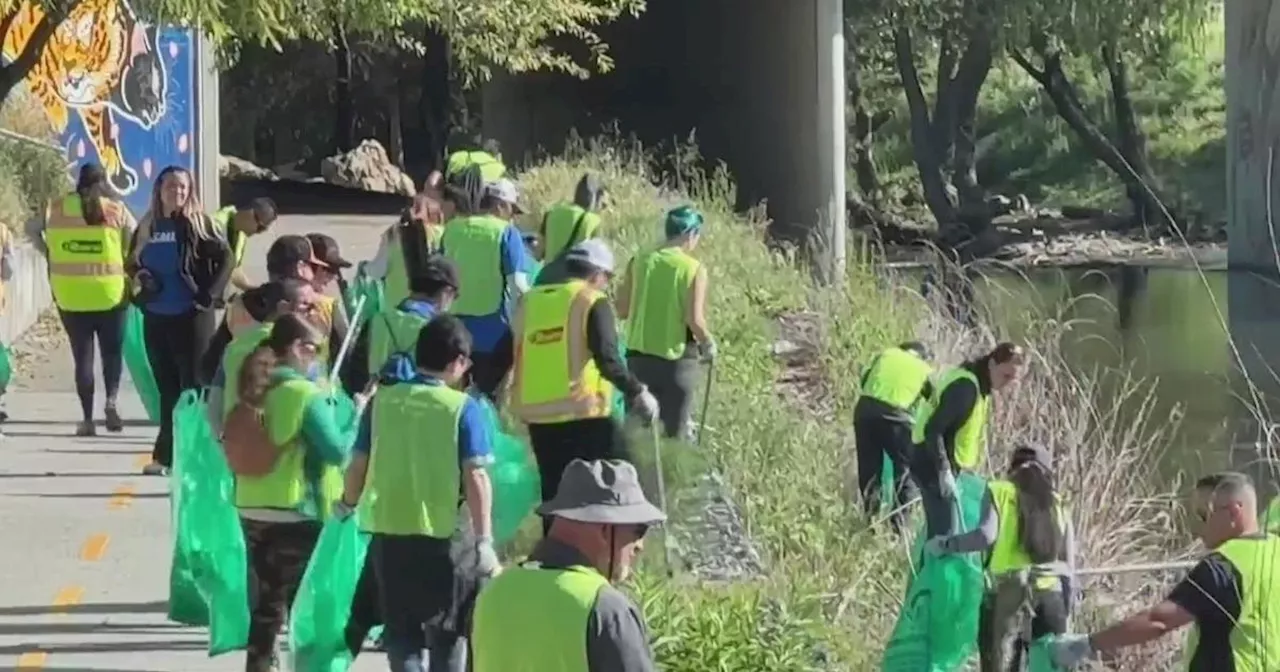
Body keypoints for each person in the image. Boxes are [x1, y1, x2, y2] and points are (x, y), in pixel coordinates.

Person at [338, 314, 498, 672]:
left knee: (402, 635)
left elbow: (357, 465)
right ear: (458, 361)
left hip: (390, 534)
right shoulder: (462, 409)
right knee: (448, 634)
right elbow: (477, 477)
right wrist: (484, 539)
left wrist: (346, 504)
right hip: (446, 539)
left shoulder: (383, 402)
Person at [479, 239, 658, 535]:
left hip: (539, 419)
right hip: (584, 415)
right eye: (607, 278)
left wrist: (480, 390)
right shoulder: (591, 301)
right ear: (597, 274)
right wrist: (638, 391)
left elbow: (504, 354)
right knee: (616, 481)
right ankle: (613, 546)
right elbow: (608, 359)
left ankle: (556, 550)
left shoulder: (530, 302)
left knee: (555, 491)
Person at [231, 313, 364, 672]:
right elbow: (337, 452)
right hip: (296, 510)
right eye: (314, 349)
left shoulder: (255, 386)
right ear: (294, 348)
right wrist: (356, 416)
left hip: (251, 506)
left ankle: (258, 665)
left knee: (267, 606)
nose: (319, 359)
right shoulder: (305, 395)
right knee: (309, 606)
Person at [1052, 472, 1280, 671]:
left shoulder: (1223, 566)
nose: (1198, 529)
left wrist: (1087, 644)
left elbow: (1158, 621)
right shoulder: (1275, 550)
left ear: (1233, 512)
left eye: (1204, 516)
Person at [471, 458, 665, 672]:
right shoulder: (605, 609)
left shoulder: (491, 594)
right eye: (638, 531)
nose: (640, 546)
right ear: (604, 529)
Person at [925, 445, 1074, 672]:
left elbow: (985, 536)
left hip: (1006, 597)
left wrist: (946, 544)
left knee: (997, 663)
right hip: (1049, 599)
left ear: (1012, 467)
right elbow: (1068, 567)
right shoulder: (1058, 501)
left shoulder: (999, 490)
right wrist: (1068, 609)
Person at [128, 166, 232, 475]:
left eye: (184, 187)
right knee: (168, 390)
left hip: (192, 318)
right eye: (172, 186)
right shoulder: (147, 225)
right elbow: (131, 262)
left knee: (194, 388)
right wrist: (142, 278)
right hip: (157, 316)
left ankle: (197, 456)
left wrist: (209, 295)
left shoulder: (201, 225)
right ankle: (166, 455)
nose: (178, 192)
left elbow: (227, 259)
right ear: (159, 190)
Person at [28, 163, 136, 436]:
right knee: (111, 353)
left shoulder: (57, 209)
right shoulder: (115, 209)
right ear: (103, 182)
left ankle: (87, 420)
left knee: (82, 357)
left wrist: (50, 252)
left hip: (70, 295)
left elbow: (30, 228)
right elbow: (135, 236)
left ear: (79, 182)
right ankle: (111, 402)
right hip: (111, 293)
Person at [616, 205, 716, 440]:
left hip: (637, 363)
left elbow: (621, 310)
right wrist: (709, 344)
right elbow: (694, 319)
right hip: (677, 366)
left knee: (637, 437)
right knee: (674, 438)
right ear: (690, 234)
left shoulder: (639, 260)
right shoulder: (693, 269)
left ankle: (636, 476)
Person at [912, 341, 1025, 537]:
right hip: (931, 464)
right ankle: (933, 567)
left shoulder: (979, 388)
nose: (1007, 383)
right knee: (945, 535)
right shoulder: (966, 389)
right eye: (1005, 376)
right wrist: (944, 471)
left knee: (942, 532)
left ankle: (928, 564)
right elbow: (934, 430)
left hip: (939, 463)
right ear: (991, 364)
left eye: (1013, 379)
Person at [440, 166, 530, 396]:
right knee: (486, 400)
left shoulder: (452, 229)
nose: (512, 217)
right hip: (493, 335)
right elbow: (518, 287)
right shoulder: (506, 234)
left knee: (456, 397)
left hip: (454, 332)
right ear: (500, 206)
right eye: (512, 210)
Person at [201, 235, 328, 382]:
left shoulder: (239, 304)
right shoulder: (311, 307)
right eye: (312, 266)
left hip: (239, 397)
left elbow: (208, 370)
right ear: (300, 268)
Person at [205, 279, 317, 431]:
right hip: (279, 444)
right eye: (305, 305)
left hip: (236, 442)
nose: (313, 311)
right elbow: (316, 404)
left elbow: (215, 401)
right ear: (283, 307)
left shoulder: (235, 346)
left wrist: (221, 439)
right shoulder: (298, 348)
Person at [852, 341, 933, 527]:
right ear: (922, 356)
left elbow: (865, 379)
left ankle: (869, 522)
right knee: (907, 473)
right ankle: (898, 529)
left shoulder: (886, 353)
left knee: (869, 471)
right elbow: (934, 399)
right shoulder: (923, 368)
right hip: (896, 418)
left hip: (864, 411)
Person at [366, 255, 459, 379]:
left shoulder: (380, 319)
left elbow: (369, 370)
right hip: (421, 397)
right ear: (446, 292)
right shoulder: (442, 330)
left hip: (381, 396)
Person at [305, 232, 354, 369]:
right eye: (330, 270)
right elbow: (346, 356)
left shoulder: (265, 300)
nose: (333, 277)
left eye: (336, 271)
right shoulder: (328, 306)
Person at [214, 197, 278, 292]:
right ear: (250, 213)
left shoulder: (241, 235)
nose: (259, 232)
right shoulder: (215, 226)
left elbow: (233, 270)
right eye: (260, 227)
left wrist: (251, 289)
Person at [540, 173, 608, 261]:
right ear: (596, 198)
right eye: (602, 204)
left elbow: (540, 251)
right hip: (577, 273)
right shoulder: (593, 220)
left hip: (549, 273)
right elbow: (598, 259)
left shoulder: (551, 213)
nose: (602, 208)